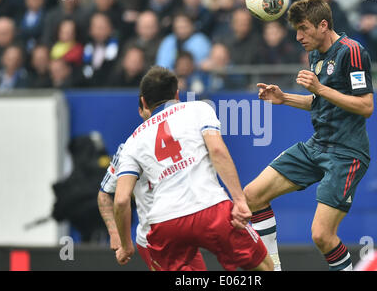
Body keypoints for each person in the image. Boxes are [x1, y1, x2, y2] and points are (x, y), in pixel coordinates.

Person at [243, 0, 374, 271]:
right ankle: (272, 267)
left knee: (322, 236)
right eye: (296, 31)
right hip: (317, 146)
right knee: (253, 194)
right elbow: (320, 102)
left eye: (304, 29)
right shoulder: (315, 53)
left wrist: (320, 89)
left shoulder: (352, 51)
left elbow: (366, 106)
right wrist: (285, 98)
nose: (299, 36)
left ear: (323, 25)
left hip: (346, 154)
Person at [113, 66, 273, 271]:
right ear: (177, 95)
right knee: (265, 267)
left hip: (165, 223)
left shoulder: (132, 142)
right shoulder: (198, 109)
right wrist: (239, 200)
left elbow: (121, 200)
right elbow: (218, 151)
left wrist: (126, 246)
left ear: (143, 101)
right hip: (210, 208)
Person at [98, 97, 207, 270]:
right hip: (156, 240)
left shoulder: (184, 138)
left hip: (183, 234)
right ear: (141, 112)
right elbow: (105, 194)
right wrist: (115, 233)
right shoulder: (129, 148)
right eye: (151, 108)